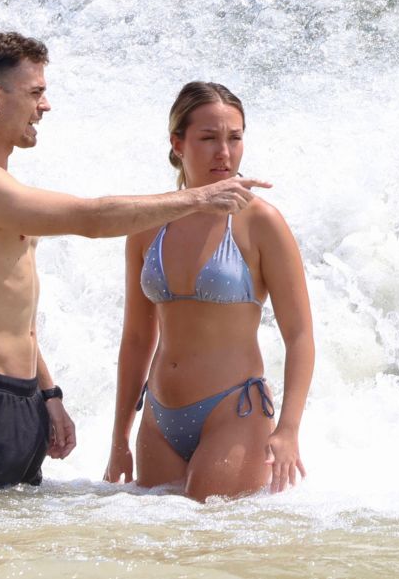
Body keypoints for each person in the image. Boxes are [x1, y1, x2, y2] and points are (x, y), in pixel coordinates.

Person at [0, 32, 267, 491]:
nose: (45, 106)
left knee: (15, 555)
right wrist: (199, 197)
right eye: (36, 92)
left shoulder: (4, 187)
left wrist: (47, 393)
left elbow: (10, 306)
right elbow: (89, 217)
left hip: (19, 398)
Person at [105, 82, 316, 501]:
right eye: (208, 138)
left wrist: (288, 429)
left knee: (209, 545)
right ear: (177, 143)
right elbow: (136, 339)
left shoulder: (261, 222)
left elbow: (300, 334)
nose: (225, 152)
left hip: (233, 411)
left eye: (234, 138)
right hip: (159, 416)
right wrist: (119, 437)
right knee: (159, 551)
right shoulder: (148, 224)